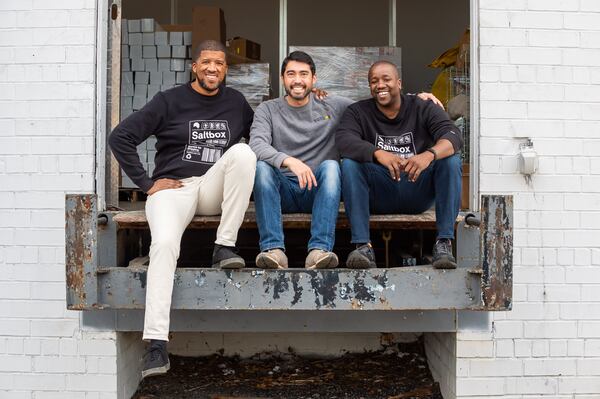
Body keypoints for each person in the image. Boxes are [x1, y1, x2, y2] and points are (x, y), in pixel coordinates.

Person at [108, 40, 256, 379]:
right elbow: (121, 137)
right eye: (206, 62)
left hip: (210, 187)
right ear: (195, 66)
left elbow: (262, 136)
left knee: (245, 155)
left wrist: (313, 101)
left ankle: (224, 245)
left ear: (225, 69)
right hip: (172, 188)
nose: (212, 68)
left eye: (219, 63)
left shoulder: (236, 102)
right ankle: (156, 344)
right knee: (162, 246)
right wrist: (146, 183)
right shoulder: (169, 100)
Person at [336, 60, 463, 269]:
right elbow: (343, 141)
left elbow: (453, 136)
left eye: (386, 79)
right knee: (350, 164)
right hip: (379, 192)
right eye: (374, 81)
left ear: (399, 83)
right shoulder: (358, 112)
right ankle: (362, 246)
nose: (380, 85)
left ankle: (443, 243)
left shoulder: (422, 107)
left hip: (416, 188)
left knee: (450, 160)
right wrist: (378, 153)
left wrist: (429, 155)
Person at [249, 51, 351, 269]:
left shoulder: (332, 105)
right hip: (281, 191)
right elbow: (256, 145)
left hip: (317, 192)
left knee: (333, 167)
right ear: (282, 78)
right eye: (291, 74)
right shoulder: (268, 109)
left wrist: (418, 98)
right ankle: (273, 250)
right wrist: (289, 161)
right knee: (261, 168)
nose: (297, 80)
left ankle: (319, 250)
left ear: (314, 79)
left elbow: (375, 106)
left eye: (303, 74)